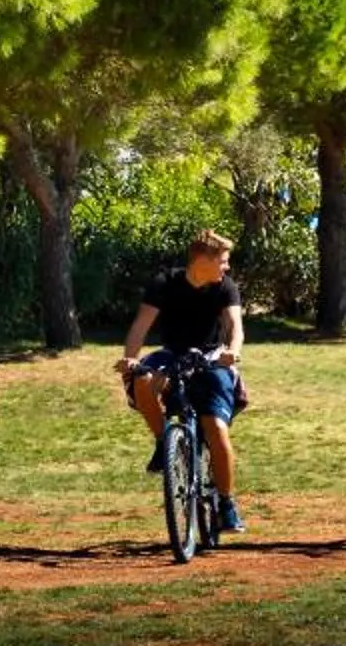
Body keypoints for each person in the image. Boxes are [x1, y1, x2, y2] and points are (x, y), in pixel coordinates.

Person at [113, 227, 247, 534]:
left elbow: (235, 326)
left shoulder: (225, 287)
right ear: (203, 259)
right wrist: (131, 360)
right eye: (223, 261)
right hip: (172, 355)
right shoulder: (165, 283)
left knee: (215, 428)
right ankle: (165, 442)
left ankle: (226, 503)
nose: (226, 267)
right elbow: (140, 326)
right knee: (142, 379)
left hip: (212, 358)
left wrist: (232, 352)